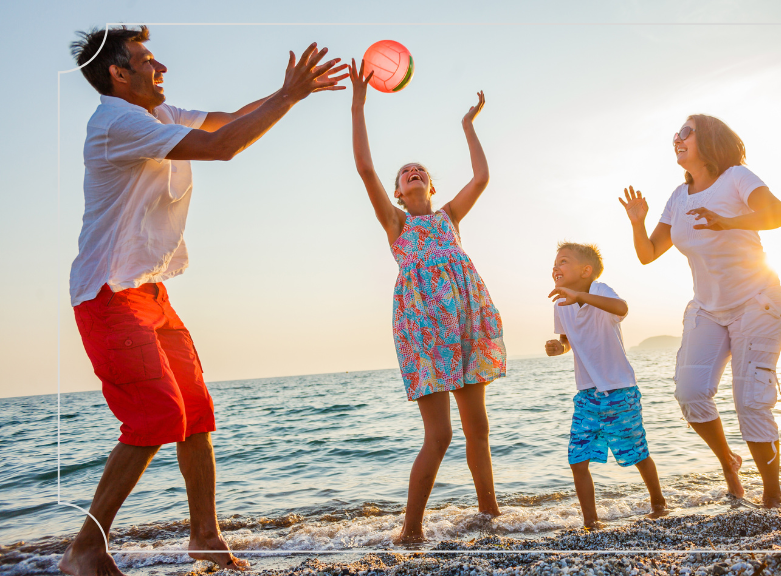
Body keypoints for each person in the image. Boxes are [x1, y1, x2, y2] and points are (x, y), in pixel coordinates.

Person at [62, 25, 348, 576]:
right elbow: (222, 147)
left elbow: (227, 120)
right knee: (157, 415)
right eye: (146, 61)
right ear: (118, 74)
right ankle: (84, 549)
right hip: (106, 294)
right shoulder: (115, 122)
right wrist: (288, 97)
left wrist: (293, 88)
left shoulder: (156, 116)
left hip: (148, 292)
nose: (160, 68)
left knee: (195, 413)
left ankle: (206, 539)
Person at [347, 59, 506, 543]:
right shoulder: (397, 224)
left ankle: (490, 516)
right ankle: (410, 529)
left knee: (477, 428)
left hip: (466, 321)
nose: (412, 173)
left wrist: (467, 126)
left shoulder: (450, 217)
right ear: (398, 191)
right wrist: (359, 104)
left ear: (431, 187)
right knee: (440, 435)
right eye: (405, 174)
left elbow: (481, 176)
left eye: (421, 171)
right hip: (425, 330)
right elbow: (365, 167)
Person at [618, 114, 781, 508]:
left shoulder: (737, 177)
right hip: (708, 309)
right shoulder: (678, 197)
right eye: (676, 133)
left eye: (685, 132)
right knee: (691, 394)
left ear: (708, 140)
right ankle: (730, 462)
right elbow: (647, 254)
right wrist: (637, 222)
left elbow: (780, 214)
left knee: (750, 402)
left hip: (756, 302)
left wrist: (728, 222)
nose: (676, 138)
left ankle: (772, 493)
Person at [544, 242, 667, 529]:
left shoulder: (600, 290)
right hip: (587, 392)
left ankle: (659, 503)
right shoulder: (559, 304)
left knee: (637, 451)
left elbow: (621, 307)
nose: (555, 267)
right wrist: (557, 347)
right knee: (578, 458)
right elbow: (567, 342)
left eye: (563, 261)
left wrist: (581, 296)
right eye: (555, 263)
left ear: (586, 271)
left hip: (619, 388)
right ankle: (591, 520)